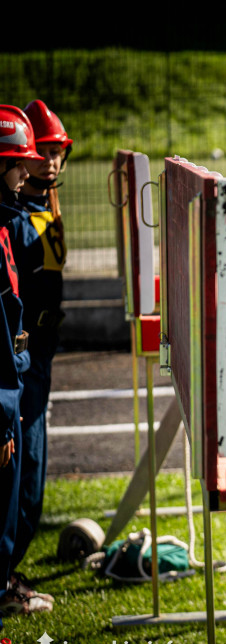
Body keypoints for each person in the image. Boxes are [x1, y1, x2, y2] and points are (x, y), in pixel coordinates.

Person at [4, 101, 72, 605]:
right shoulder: (14, 219)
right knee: (20, 472)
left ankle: (9, 573)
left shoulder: (46, 205)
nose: (47, 163)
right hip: (19, 360)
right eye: (39, 154)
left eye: (55, 153)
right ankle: (5, 578)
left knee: (32, 469)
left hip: (40, 354)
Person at [0, 104, 53, 644]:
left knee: (19, 501)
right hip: (10, 384)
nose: (36, 168)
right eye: (17, 162)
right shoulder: (14, 221)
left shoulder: (31, 212)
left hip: (24, 371)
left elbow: (48, 296)